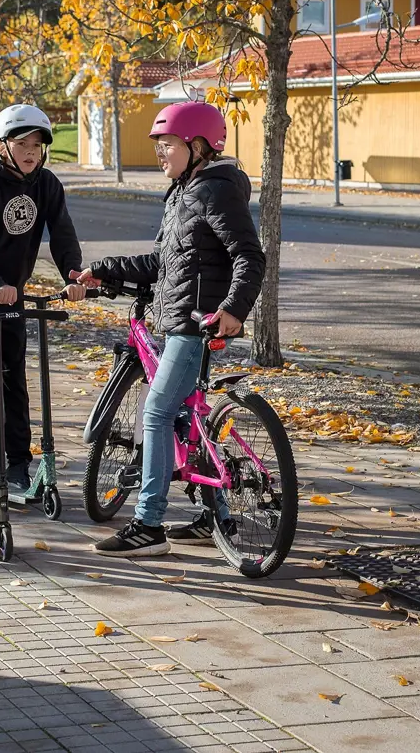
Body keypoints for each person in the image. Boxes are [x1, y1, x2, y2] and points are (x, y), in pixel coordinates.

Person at [76, 101, 265, 556]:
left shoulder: (211, 191)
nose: (161, 154)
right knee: (187, 417)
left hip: (195, 323)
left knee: (157, 413)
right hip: (184, 316)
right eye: (159, 146)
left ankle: (148, 524)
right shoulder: (186, 192)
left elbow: (249, 254)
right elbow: (165, 263)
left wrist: (234, 308)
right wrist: (103, 269)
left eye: (168, 146)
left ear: (197, 146)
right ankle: (214, 515)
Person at [0, 103, 85, 491]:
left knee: (14, 377)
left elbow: (62, 233)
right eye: (21, 142)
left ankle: (19, 464)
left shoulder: (47, 185)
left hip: (11, 292)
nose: (30, 151)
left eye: (37, 144)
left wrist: (73, 276)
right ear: (0, 145)